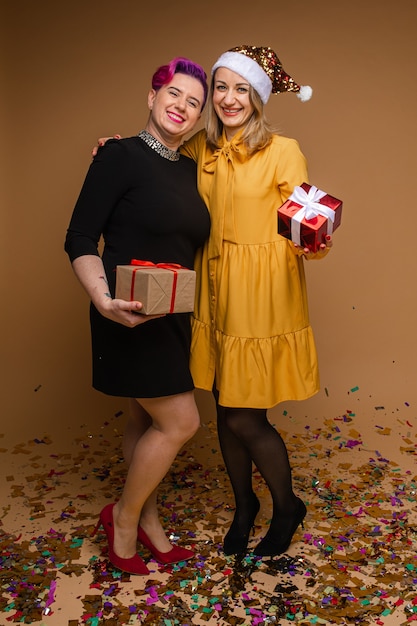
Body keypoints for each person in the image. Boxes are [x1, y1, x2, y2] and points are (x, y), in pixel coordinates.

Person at [95, 45, 333, 559]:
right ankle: (244, 506)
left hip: (262, 296)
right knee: (226, 412)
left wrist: (314, 237)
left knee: (246, 416)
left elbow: (307, 218)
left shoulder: (283, 149)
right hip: (213, 293)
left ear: (258, 98)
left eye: (241, 89)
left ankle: (287, 506)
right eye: (220, 87)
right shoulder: (200, 148)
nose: (228, 98)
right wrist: (117, 148)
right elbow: (154, 161)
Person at [65, 57, 210, 575]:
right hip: (126, 311)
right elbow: (80, 237)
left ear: (198, 117)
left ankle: (148, 523)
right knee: (180, 421)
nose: (182, 106)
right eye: (174, 94)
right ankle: (124, 520)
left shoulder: (192, 169)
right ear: (152, 97)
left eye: (194, 102)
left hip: (174, 314)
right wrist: (104, 301)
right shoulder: (119, 156)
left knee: (143, 417)